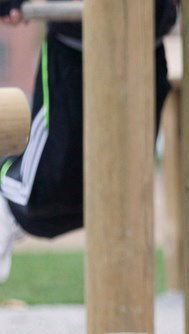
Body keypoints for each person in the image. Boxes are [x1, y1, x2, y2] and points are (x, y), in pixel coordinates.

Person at [0, 0, 178, 281]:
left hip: (145, 45)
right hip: (76, 48)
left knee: (122, 191)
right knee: (49, 187)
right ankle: (6, 195)